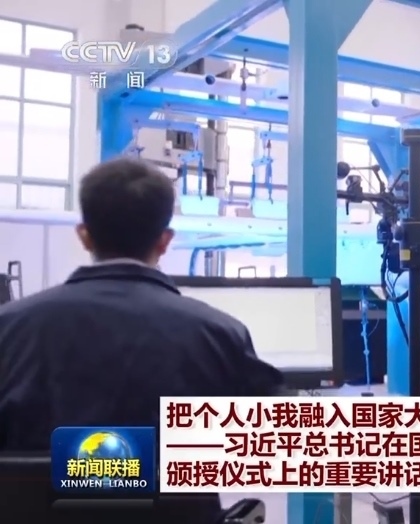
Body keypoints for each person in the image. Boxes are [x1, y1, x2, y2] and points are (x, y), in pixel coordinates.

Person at [0, 157, 284, 522]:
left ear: (84, 235)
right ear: (165, 241)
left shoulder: (9, 329)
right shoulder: (217, 333)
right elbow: (285, 443)